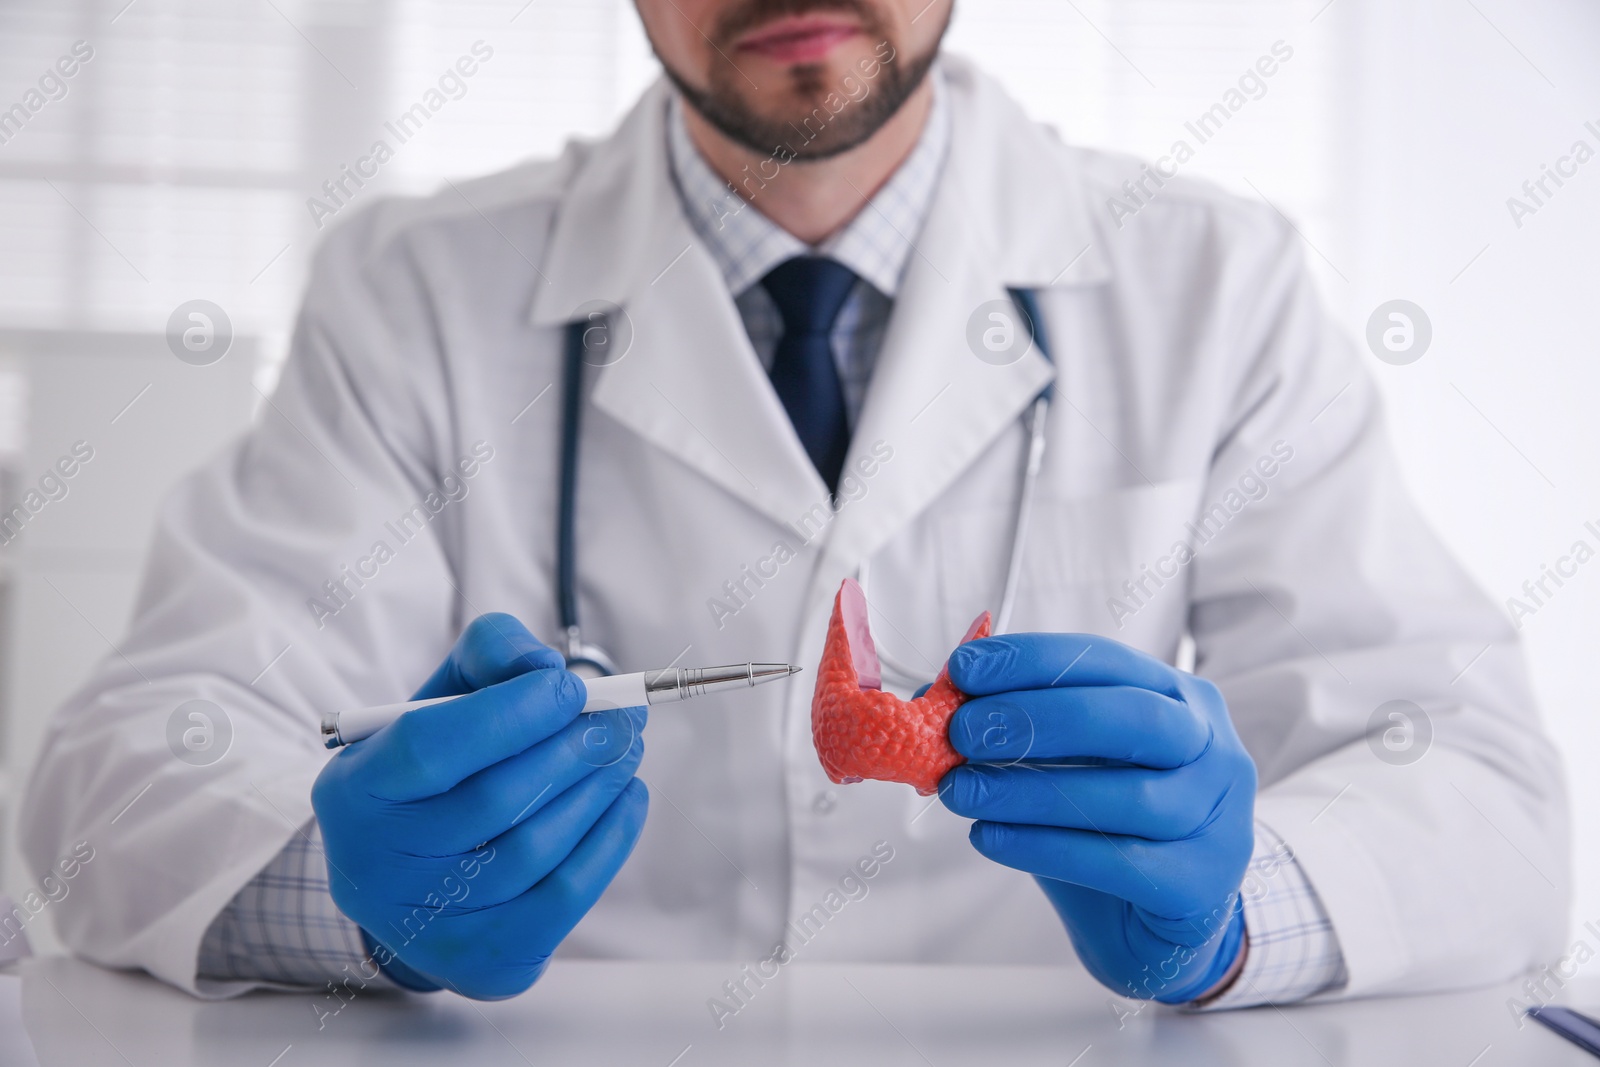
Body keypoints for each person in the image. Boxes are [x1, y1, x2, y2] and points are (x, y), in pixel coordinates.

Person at [21, 0, 1567, 1008]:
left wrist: (1234, 911)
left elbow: (1483, 796)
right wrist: (353, 900)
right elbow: (121, 778)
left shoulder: (1213, 284)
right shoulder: (417, 290)